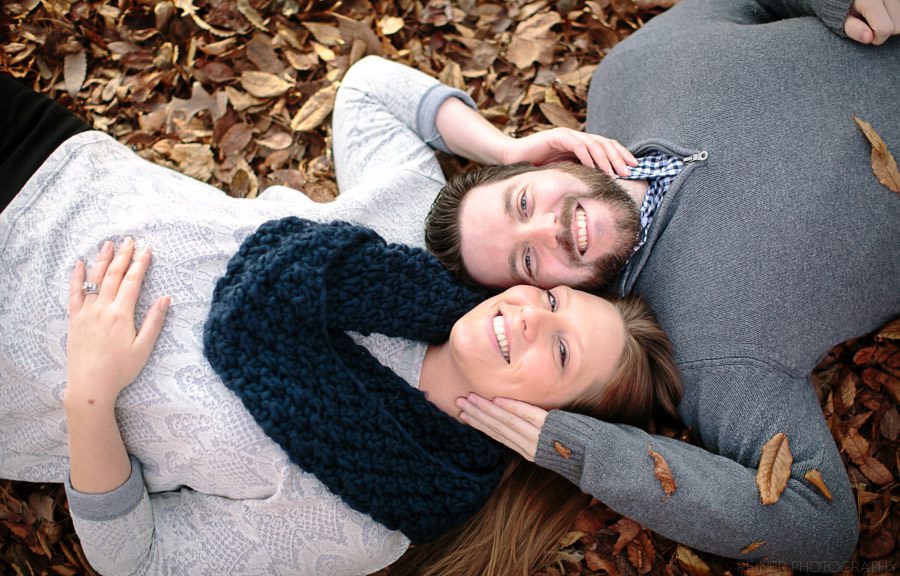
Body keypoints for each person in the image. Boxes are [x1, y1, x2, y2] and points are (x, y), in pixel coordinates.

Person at [0, 54, 678, 576]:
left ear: (546, 424)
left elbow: (141, 560)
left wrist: (88, 398)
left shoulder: (365, 520)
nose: (532, 315)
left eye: (561, 354)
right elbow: (369, 88)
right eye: (556, 300)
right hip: (47, 164)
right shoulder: (423, 248)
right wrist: (503, 150)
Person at [421, 0, 899, 569]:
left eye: (523, 202)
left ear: (534, 161)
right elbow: (820, 524)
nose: (549, 228)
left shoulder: (626, 73)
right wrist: (577, 449)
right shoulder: (711, 353)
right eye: (526, 260)